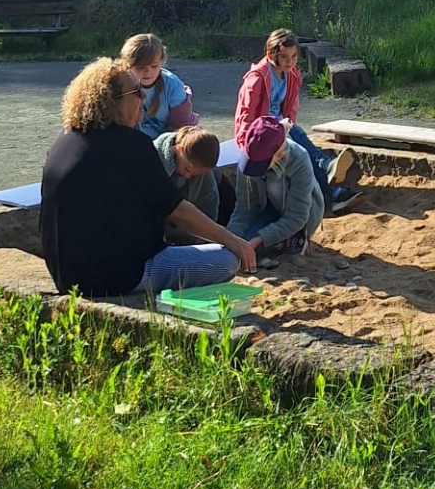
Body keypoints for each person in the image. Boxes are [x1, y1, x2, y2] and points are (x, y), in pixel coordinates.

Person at [39, 58, 257, 298]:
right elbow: (177, 211)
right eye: (137, 92)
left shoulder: (63, 142)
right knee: (227, 259)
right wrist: (234, 241)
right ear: (113, 101)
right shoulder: (132, 146)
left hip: (67, 276)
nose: (143, 97)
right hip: (119, 274)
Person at [234, 28, 362, 213]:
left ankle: (330, 182)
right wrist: (247, 145)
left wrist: (289, 128)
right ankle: (329, 181)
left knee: (299, 136)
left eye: (294, 56)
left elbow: (291, 107)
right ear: (271, 55)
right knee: (299, 151)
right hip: (262, 134)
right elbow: (245, 114)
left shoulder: (292, 74)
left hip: (280, 125)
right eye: (284, 57)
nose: (290, 61)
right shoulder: (257, 78)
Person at [231, 114, 327, 268]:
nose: (254, 170)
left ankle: (299, 239)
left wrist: (258, 240)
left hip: (304, 214)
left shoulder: (299, 158)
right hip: (270, 208)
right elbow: (245, 207)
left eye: (260, 166)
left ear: (279, 155)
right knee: (242, 245)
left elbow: (297, 217)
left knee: (261, 247)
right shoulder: (247, 159)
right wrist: (230, 238)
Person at [120, 32, 198, 139]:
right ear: (127, 65)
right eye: (140, 67)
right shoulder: (119, 85)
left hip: (167, 140)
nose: (147, 72)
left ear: (161, 62)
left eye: (154, 66)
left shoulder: (173, 86)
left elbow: (181, 128)